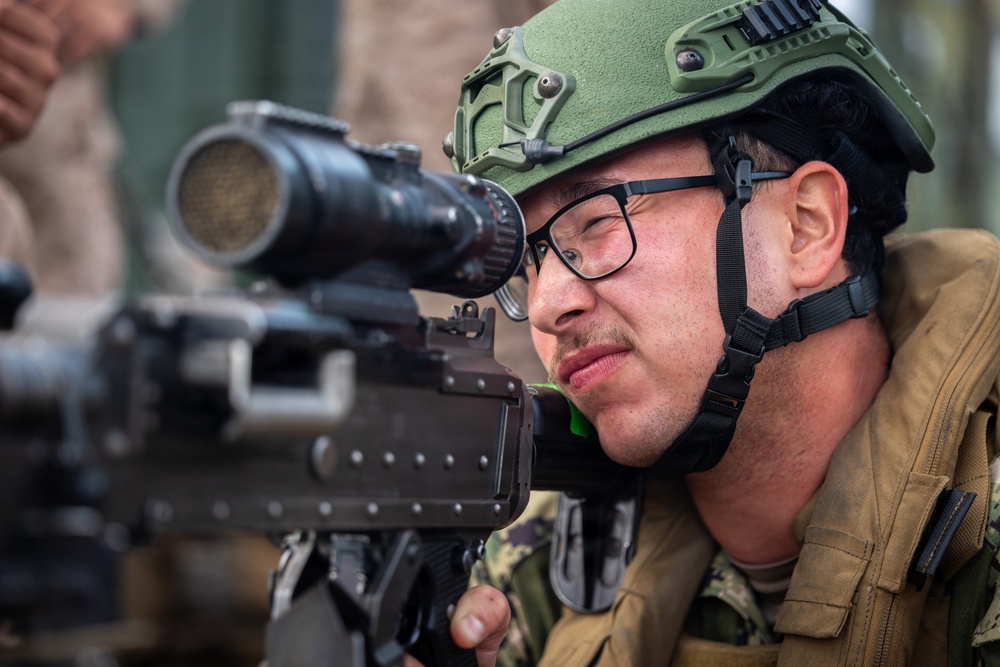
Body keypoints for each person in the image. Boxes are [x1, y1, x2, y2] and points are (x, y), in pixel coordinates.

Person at [434, 0, 1000, 665]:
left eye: (598, 219)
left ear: (806, 225)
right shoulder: (549, 560)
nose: (550, 303)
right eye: (526, 262)